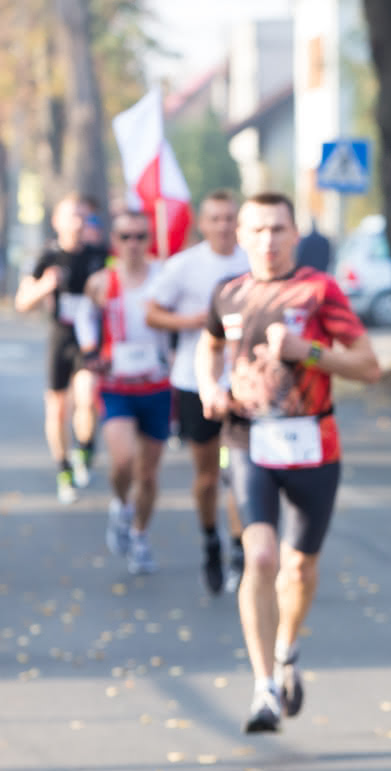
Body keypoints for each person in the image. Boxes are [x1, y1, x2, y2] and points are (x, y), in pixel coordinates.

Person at [195, 192, 381, 734]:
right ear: (241, 237)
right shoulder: (228, 293)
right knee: (261, 556)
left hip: (313, 445)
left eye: (278, 229)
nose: (267, 241)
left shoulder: (319, 291)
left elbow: (369, 366)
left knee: (298, 568)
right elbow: (207, 346)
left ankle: (286, 649)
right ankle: (264, 689)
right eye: (256, 230)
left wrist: (309, 352)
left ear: (295, 234)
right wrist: (209, 387)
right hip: (248, 440)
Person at [147, 190, 251, 594]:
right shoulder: (184, 266)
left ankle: (240, 549)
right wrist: (194, 321)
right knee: (208, 477)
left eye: (230, 218)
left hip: (244, 384)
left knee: (238, 472)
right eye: (216, 218)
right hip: (196, 382)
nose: (223, 226)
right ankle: (211, 540)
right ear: (202, 224)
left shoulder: (252, 262)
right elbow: (152, 312)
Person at [82, 209, 173, 575]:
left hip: (157, 384)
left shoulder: (164, 277)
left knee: (148, 475)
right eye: (125, 237)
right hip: (116, 385)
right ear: (114, 241)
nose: (133, 244)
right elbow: (85, 319)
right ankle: (121, 505)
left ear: (149, 239)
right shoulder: (102, 281)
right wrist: (91, 352)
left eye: (140, 236)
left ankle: (140, 535)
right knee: (122, 461)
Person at [15, 194, 110, 502]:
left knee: (87, 397)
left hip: (89, 339)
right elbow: (22, 302)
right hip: (60, 337)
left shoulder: (100, 254)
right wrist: (45, 286)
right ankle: (63, 469)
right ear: (57, 221)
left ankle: (85, 449)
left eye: (83, 216)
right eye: (72, 216)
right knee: (57, 409)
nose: (79, 223)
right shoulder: (47, 257)